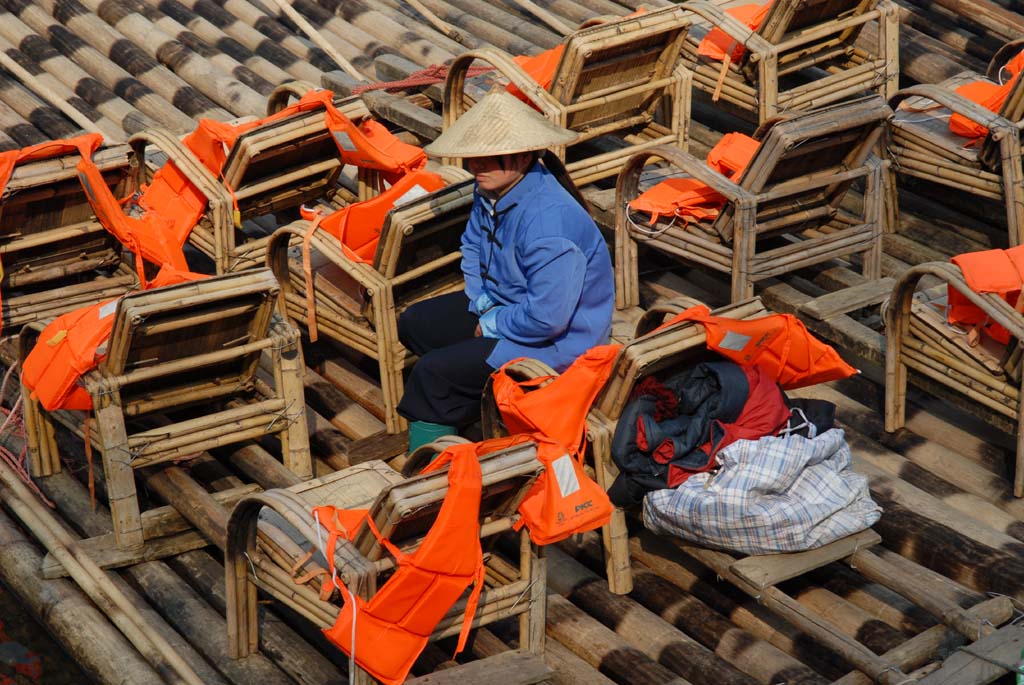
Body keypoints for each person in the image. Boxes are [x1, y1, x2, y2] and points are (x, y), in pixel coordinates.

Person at [397, 89, 614, 452]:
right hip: (507, 307)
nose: (476, 167)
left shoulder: (548, 223)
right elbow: (471, 245)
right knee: (415, 322)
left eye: (490, 158)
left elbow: (548, 319)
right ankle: (472, 403)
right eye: (472, 158)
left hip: (559, 344)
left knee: (429, 373)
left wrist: (494, 323)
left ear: (524, 155)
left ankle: (430, 475)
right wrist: (483, 304)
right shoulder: (492, 190)